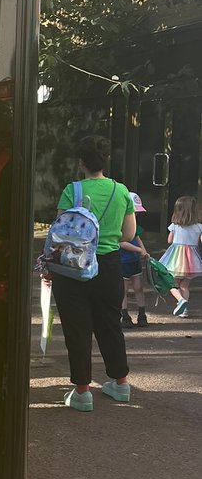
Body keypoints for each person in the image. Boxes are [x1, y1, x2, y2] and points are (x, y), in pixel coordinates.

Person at [48, 135, 136, 411]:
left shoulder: (71, 190)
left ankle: (82, 392)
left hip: (75, 266)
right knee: (110, 325)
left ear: (81, 162)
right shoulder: (121, 191)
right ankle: (121, 384)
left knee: (78, 328)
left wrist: (49, 267)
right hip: (109, 264)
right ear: (105, 160)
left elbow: (59, 234)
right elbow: (129, 234)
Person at [160, 195, 202, 317]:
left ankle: (180, 301)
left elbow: (169, 241)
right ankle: (184, 310)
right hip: (192, 261)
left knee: (172, 283)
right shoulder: (199, 227)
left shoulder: (175, 226)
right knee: (185, 285)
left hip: (176, 259)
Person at [120, 192, 149, 327]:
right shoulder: (119, 225)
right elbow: (122, 243)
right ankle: (124, 315)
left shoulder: (134, 224)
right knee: (123, 289)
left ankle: (142, 313)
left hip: (134, 261)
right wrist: (139, 250)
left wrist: (144, 251)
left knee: (138, 287)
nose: (135, 215)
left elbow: (137, 238)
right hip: (123, 261)